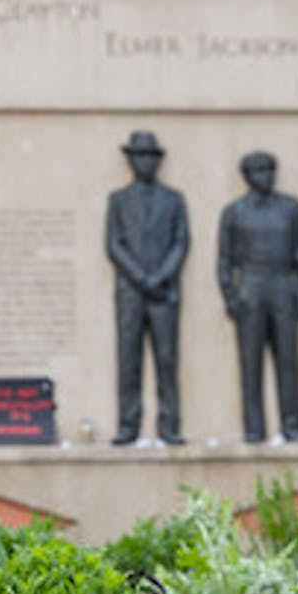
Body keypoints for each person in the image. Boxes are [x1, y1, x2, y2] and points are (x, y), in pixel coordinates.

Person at [217, 151, 298, 444]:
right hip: (251, 286)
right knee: (251, 361)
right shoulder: (235, 211)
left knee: (288, 360)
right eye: (257, 171)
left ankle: (292, 426)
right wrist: (231, 296)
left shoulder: (289, 207)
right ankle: (254, 428)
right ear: (246, 176)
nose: (264, 176)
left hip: (282, 283)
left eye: (269, 169)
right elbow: (225, 260)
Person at [104, 130, 188, 446]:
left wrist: (161, 277)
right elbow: (113, 244)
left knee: (167, 360)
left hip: (164, 293)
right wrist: (141, 277)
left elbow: (181, 242)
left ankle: (169, 425)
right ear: (129, 160)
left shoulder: (174, 199)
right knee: (129, 360)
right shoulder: (118, 200)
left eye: (150, 157)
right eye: (139, 156)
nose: (145, 163)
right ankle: (129, 424)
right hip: (130, 291)